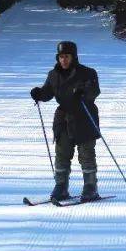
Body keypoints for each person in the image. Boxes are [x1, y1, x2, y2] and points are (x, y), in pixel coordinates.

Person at [31, 41, 102, 202]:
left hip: (84, 116)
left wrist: (83, 92)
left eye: (67, 57)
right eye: (61, 57)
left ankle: (90, 186)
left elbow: (95, 91)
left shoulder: (87, 73)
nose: (63, 60)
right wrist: (39, 94)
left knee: (86, 154)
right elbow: (47, 93)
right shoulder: (53, 75)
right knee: (62, 154)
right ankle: (61, 186)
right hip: (63, 118)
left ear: (74, 57)